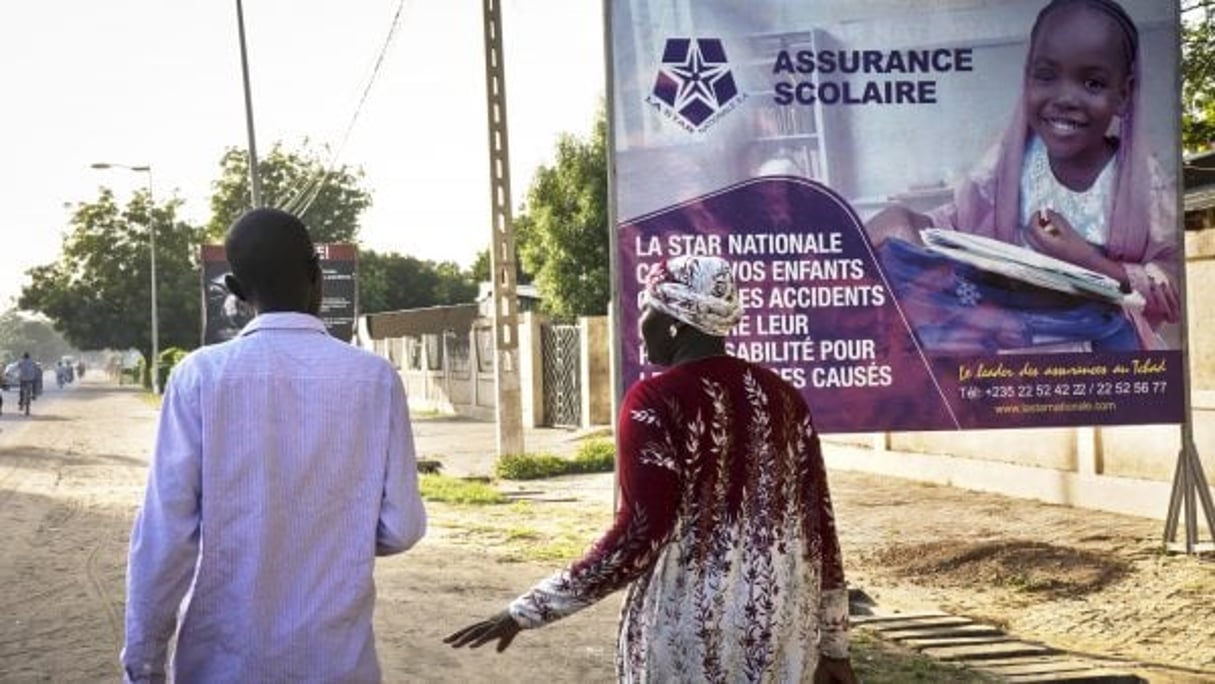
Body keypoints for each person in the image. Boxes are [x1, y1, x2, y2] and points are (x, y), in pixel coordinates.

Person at [446, 255, 857, 683]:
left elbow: (638, 536)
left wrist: (526, 610)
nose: (640, 323)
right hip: (778, 638)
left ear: (675, 321)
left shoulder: (655, 401)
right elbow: (820, 528)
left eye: (647, 309)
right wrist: (834, 646)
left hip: (687, 638)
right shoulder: (786, 398)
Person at [121, 208, 427, 683]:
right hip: (338, 664)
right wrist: (336, 532)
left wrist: (143, 665)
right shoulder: (375, 379)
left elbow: (164, 538)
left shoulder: (199, 377)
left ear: (238, 294)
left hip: (222, 665)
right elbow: (403, 528)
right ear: (317, 278)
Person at [866, 0, 1178, 353]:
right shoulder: (1010, 164)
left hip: (1106, 364)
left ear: (1123, 95)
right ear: (1027, 77)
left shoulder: (1142, 180)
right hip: (1019, 358)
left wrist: (1087, 260)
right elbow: (956, 226)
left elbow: (1171, 287)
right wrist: (907, 221)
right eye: (1046, 76)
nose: (1065, 99)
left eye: (1092, 83)